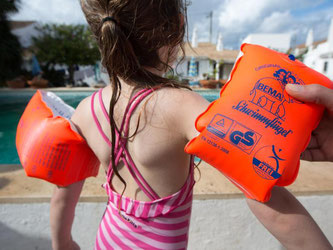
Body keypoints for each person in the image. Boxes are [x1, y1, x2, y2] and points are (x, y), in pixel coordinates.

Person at [50, 1, 332, 249]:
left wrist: (63, 243)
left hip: (108, 239)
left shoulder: (85, 111)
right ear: (178, 26)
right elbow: (263, 194)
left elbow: (64, 192)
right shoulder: (184, 107)